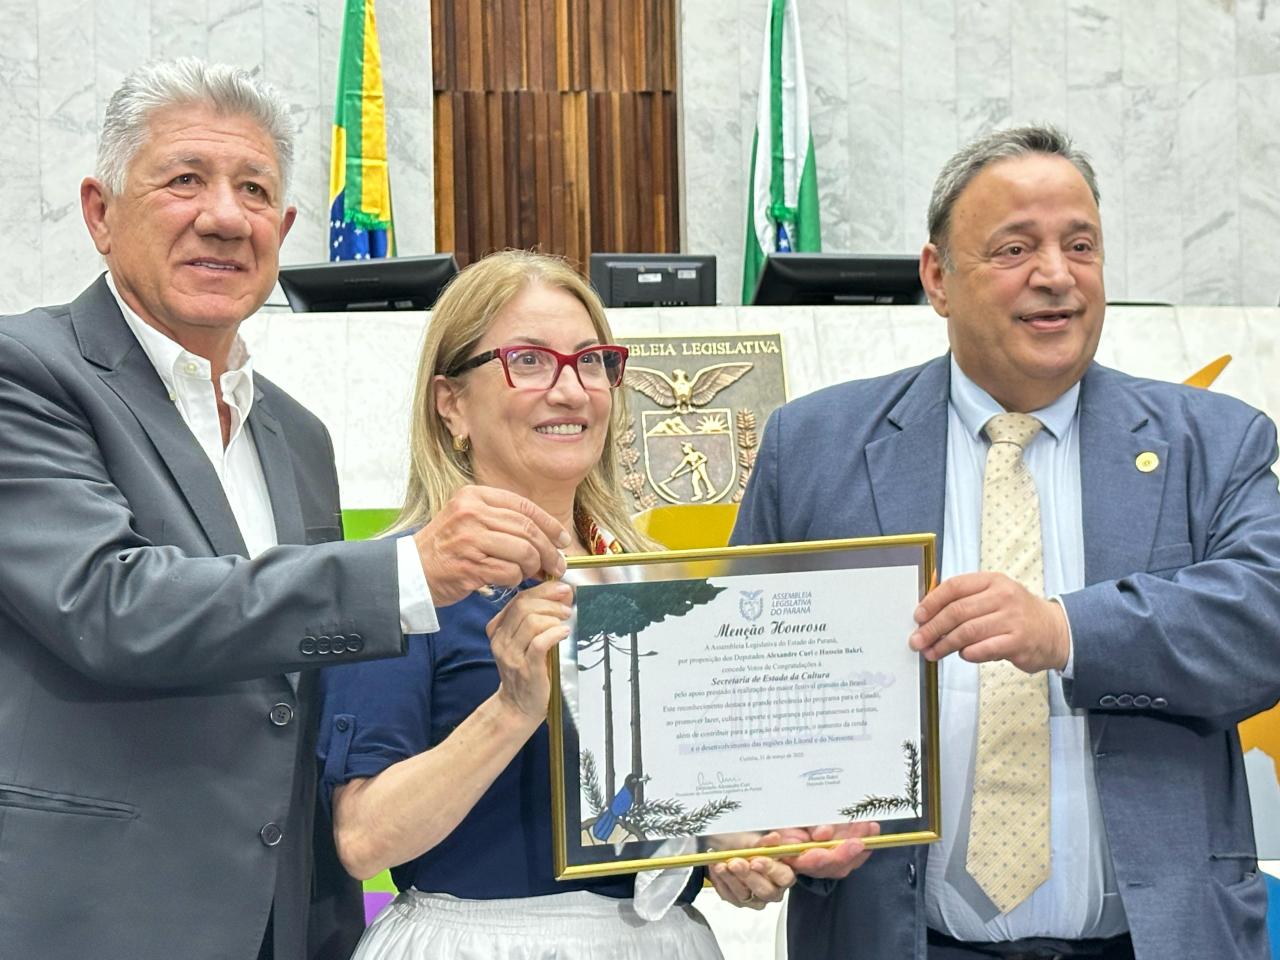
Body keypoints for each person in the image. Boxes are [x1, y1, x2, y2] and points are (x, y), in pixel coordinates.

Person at [0, 61, 569, 960]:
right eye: (185, 179)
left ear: (285, 229)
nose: (225, 216)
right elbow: (110, 603)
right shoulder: (28, 373)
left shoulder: (296, 436)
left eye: (255, 190)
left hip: (283, 926)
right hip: (98, 916)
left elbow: (301, 700)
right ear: (100, 213)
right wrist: (406, 570)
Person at [732, 125, 1280, 959]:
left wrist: (1065, 630)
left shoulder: (1212, 441)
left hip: (1150, 942)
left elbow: (1265, 619)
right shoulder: (814, 447)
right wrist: (749, 831)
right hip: (897, 940)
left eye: (1080, 245)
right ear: (937, 277)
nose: (1056, 275)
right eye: (1015, 248)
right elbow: (741, 688)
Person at [316, 249, 849, 959]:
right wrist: (511, 710)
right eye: (529, 361)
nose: (570, 390)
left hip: (664, 942)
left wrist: (735, 849)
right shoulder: (404, 581)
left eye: (590, 361)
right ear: (451, 403)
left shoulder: (655, 581)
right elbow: (363, 840)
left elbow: (674, 803)